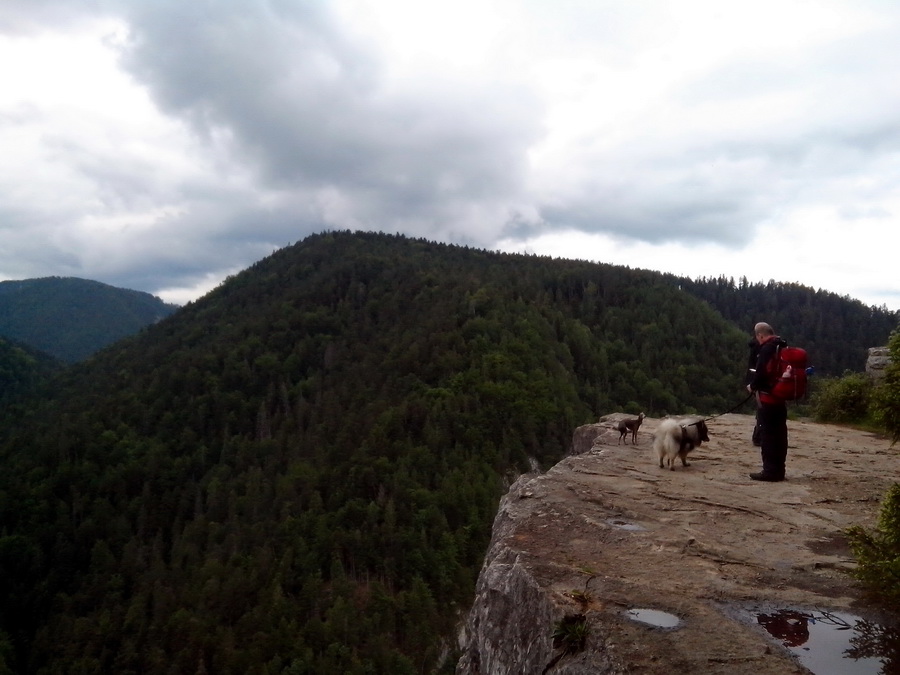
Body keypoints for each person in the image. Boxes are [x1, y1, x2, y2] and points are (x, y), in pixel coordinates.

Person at [746, 322, 788, 481]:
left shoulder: (767, 349)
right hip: (780, 398)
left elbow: (761, 373)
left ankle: (770, 471)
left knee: (768, 435)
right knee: (780, 434)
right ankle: (779, 470)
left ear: (760, 335)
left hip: (767, 399)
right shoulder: (782, 346)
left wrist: (752, 386)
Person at [745, 336, 761, 446]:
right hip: (757, 382)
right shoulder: (762, 348)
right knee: (762, 409)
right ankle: (758, 437)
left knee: (761, 409)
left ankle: (758, 436)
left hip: (752, 380)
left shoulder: (754, 347)